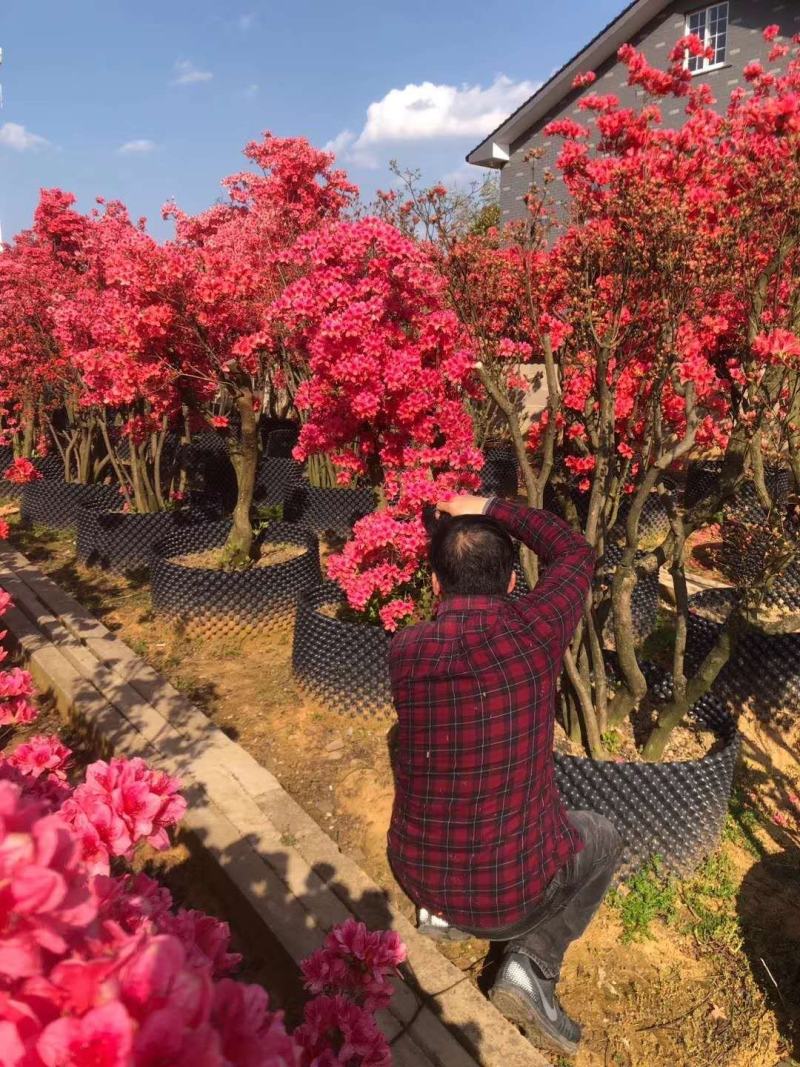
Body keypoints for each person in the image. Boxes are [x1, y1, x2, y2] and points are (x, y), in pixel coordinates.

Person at [387, 493, 622, 1057]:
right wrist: (489, 503)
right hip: (510, 897)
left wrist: (440, 521)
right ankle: (533, 966)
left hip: (417, 874)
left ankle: (442, 916)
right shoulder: (533, 632)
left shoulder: (406, 650)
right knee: (603, 837)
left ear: (438, 585)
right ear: (513, 581)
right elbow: (575, 553)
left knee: (403, 740)